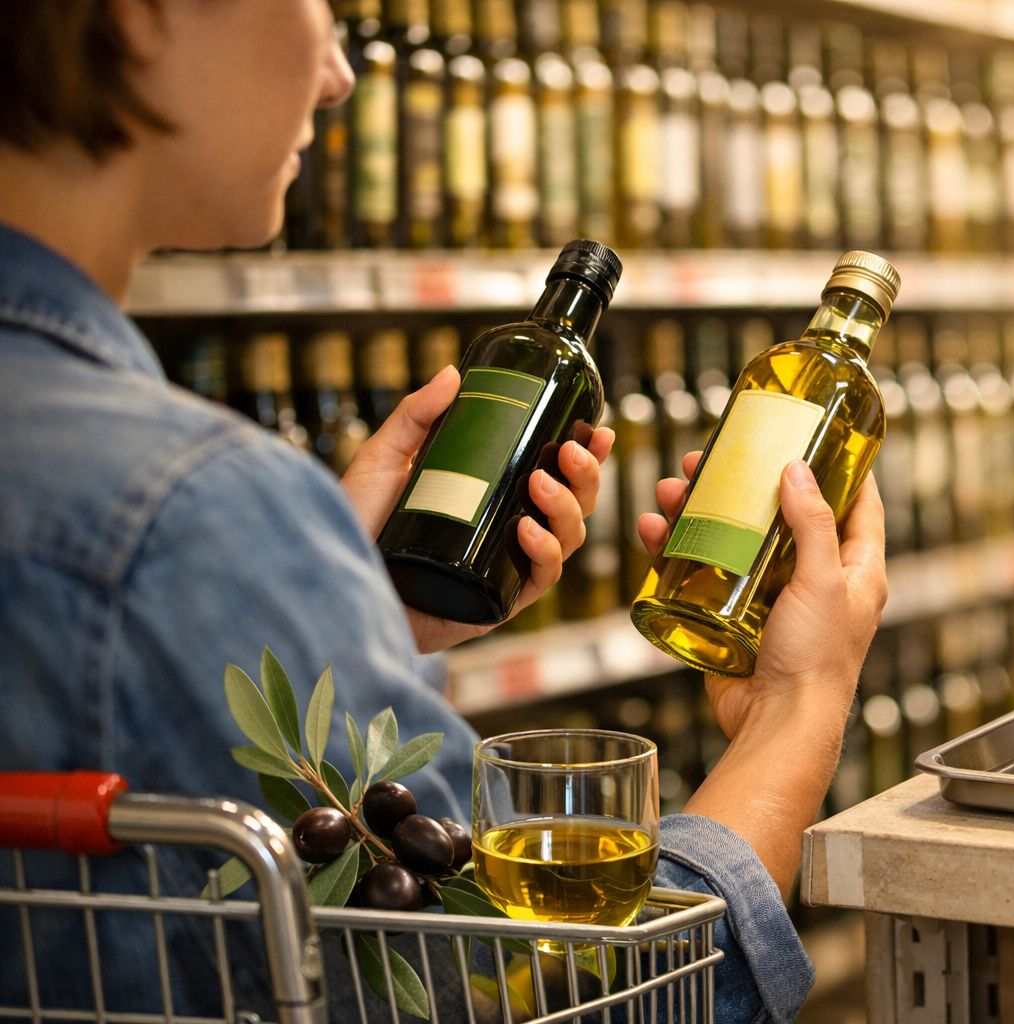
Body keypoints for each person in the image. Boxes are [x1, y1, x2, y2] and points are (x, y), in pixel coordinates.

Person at [0, 2, 887, 1022]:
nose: (337, 73)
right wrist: (801, 704)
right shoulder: (186, 518)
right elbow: (560, 994)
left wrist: (345, 608)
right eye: (320, 8)